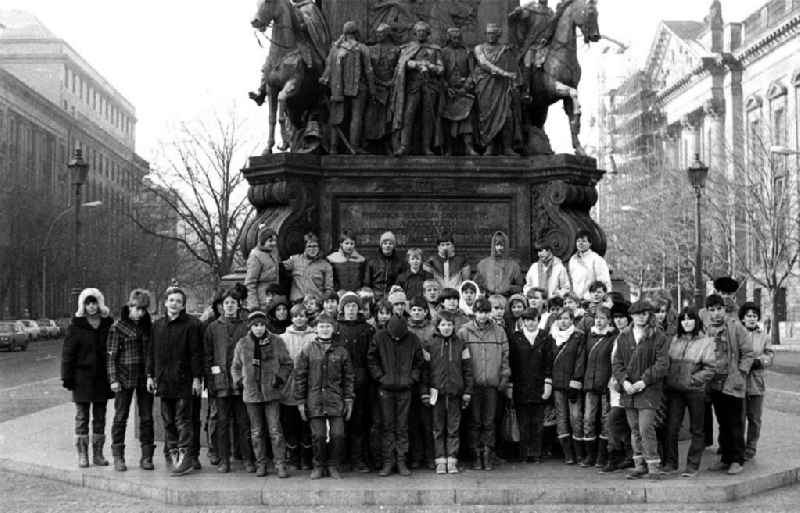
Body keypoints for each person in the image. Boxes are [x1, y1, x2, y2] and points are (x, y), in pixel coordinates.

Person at [147, 287, 203, 477]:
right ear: (165, 302)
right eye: (171, 300)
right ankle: (173, 453)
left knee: (183, 419)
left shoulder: (191, 325)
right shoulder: (158, 325)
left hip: (183, 380)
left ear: (183, 305)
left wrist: (197, 378)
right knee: (168, 420)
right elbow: (151, 352)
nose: (175, 304)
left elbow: (196, 353)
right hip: (163, 381)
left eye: (178, 301)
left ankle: (186, 455)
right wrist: (150, 375)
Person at [231, 311, 293, 478]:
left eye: (262, 325)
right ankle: (261, 463)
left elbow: (287, 363)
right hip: (251, 393)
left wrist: (279, 378)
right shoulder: (242, 344)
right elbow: (236, 366)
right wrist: (239, 381)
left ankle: (280, 463)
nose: (259, 329)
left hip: (271, 392)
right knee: (256, 431)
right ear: (250, 327)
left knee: (275, 430)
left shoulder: (276, 342)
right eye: (255, 325)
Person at [612, 300, 669, 480]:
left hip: (648, 390)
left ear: (649, 315)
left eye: (644, 314)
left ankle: (653, 466)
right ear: (632, 316)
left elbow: (662, 364)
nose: (641, 317)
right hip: (629, 390)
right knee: (634, 428)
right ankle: (639, 465)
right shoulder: (623, 337)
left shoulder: (658, 336)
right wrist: (624, 381)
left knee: (646, 428)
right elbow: (617, 362)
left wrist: (644, 381)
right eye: (637, 314)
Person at [294, 313, 355, 479]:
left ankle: (333, 465)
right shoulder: (308, 350)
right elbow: (300, 376)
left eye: (328, 326)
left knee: (338, 434)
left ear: (333, 329)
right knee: (318, 436)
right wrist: (300, 401)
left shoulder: (342, 351)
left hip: (335, 400)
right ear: (316, 329)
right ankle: (319, 465)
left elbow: (348, 378)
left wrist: (349, 399)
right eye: (321, 326)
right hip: (315, 400)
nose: (325, 329)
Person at [61, 288, 114, 468]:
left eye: (94, 303)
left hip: (102, 378)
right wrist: (66, 377)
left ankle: (98, 455)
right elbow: (68, 353)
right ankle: (82, 455)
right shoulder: (76, 325)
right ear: (83, 305)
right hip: (81, 379)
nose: (91, 307)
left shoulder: (108, 324)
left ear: (100, 303)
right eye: (88, 303)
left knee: (100, 417)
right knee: (82, 417)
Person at [368, 314, 425, 476]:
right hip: (385, 389)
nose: (396, 338)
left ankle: (401, 460)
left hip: (405, 389)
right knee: (387, 426)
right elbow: (372, 359)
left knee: (402, 427)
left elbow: (419, 363)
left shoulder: (413, 339)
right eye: (394, 336)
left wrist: (411, 379)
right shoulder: (379, 337)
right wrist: (380, 377)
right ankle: (388, 461)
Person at [204, 289, 254, 473]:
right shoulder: (213, 327)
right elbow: (209, 356)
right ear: (221, 306)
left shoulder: (246, 326)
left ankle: (247, 459)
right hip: (221, 384)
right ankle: (224, 459)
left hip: (242, 384)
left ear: (239, 305)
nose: (230, 306)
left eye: (233, 302)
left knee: (243, 423)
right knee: (222, 423)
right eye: (227, 303)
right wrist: (213, 380)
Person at [458, 298, 511, 471]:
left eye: (486, 312)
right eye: (479, 311)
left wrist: (504, 377)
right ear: (474, 312)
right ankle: (476, 454)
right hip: (473, 385)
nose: (483, 315)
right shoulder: (464, 332)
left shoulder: (499, 331)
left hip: (492, 385)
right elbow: (460, 360)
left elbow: (505, 356)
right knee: (474, 421)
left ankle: (487, 454)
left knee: (489, 421)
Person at [704, 294, 754, 475]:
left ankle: (737, 459)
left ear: (724, 309)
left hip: (732, 382)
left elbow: (749, 353)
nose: (716, 313)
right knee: (722, 422)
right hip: (714, 383)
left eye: (719, 309)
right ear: (708, 312)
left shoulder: (736, 327)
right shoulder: (707, 329)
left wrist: (740, 372)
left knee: (734, 423)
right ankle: (725, 457)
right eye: (712, 310)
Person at [663, 308, 715, 477]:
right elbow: (667, 363)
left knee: (697, 429)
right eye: (683, 319)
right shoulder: (674, 340)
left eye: (690, 319)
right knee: (671, 427)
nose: (686, 322)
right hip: (675, 391)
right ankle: (670, 463)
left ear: (696, 321)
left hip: (695, 391)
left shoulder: (705, 341)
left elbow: (710, 368)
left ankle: (692, 466)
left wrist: (691, 380)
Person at [107, 289, 154, 472]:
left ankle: (147, 455)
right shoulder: (117, 327)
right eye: (136, 308)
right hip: (124, 378)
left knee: (147, 417)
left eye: (143, 309)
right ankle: (118, 455)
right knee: (120, 417)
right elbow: (111, 356)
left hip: (144, 377)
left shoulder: (148, 326)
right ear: (129, 306)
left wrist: (152, 375)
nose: (139, 313)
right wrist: (113, 379)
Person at [427, 311, 474, 474]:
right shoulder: (430, 344)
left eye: (449, 324)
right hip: (436, 393)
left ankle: (452, 460)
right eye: (443, 324)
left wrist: (467, 390)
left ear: (454, 326)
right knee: (438, 428)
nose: (446, 328)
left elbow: (467, 369)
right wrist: (424, 391)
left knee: (453, 428)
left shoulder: (461, 344)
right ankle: (440, 460)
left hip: (455, 393)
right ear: (437, 326)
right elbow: (425, 370)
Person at [391, 21, 444, 156]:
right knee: (408, 115)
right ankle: (404, 146)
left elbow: (441, 69)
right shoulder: (407, 48)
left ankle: (427, 147)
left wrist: (431, 67)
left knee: (428, 117)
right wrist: (414, 64)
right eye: (418, 31)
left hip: (430, 87)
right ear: (415, 33)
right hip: (413, 87)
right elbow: (401, 64)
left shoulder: (435, 50)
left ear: (428, 33)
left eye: (424, 31)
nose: (421, 33)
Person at [321, 21, 375, 153]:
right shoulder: (362, 48)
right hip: (358, 88)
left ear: (344, 33)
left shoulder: (335, 49)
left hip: (337, 89)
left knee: (336, 116)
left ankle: (333, 148)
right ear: (356, 33)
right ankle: (354, 146)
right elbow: (368, 70)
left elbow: (328, 69)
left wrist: (324, 82)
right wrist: (373, 89)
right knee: (356, 117)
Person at [337, 293, 375, 473]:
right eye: (347, 306)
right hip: (339, 382)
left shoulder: (367, 329)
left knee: (360, 421)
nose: (351, 310)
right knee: (341, 421)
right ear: (342, 309)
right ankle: (342, 458)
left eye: (354, 306)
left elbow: (371, 357)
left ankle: (358, 458)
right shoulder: (336, 328)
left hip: (361, 382)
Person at [508, 307, 553, 463]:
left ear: (538, 320)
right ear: (523, 321)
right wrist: (510, 385)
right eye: (527, 320)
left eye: (533, 320)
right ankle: (524, 453)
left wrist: (548, 382)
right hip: (521, 385)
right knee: (523, 422)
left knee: (537, 422)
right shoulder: (516, 337)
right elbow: (511, 362)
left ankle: (536, 452)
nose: (530, 323)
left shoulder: (545, 337)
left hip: (539, 385)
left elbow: (549, 361)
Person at [473, 23, 520, 156]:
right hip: (485, 86)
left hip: (502, 88)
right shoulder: (479, 49)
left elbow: (513, 69)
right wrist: (503, 73)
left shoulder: (505, 50)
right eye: (489, 33)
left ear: (498, 35)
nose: (491, 36)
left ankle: (507, 147)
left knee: (507, 116)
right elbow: (483, 63)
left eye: (493, 33)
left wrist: (514, 83)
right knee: (486, 116)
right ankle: (489, 146)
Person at [580, 306, 617, 468]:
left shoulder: (613, 336)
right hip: (590, 383)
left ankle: (602, 456)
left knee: (605, 420)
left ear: (609, 320)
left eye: (602, 318)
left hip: (605, 384)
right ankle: (590, 455)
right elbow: (583, 357)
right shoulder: (590, 335)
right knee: (588, 419)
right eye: (597, 318)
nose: (599, 321)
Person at [280, 304, 316, 470]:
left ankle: (306, 457)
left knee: (306, 423)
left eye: (302, 315)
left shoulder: (314, 336)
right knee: (290, 423)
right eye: (296, 316)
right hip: (289, 385)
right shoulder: (284, 338)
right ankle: (293, 456)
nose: (299, 318)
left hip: (309, 384)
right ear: (291, 318)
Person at [549, 307, 586, 465]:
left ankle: (579, 452)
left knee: (576, 418)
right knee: (561, 418)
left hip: (572, 384)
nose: (564, 321)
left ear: (572, 320)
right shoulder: (552, 337)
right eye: (561, 318)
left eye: (567, 318)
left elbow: (580, 360)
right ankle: (568, 454)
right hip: (557, 383)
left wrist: (575, 381)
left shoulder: (578, 336)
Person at [601, 301, 634, 473]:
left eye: (622, 317)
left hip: (626, 386)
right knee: (618, 422)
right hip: (614, 388)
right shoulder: (616, 337)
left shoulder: (631, 336)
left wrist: (622, 380)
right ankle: (623, 456)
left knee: (615, 421)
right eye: (616, 317)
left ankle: (618, 456)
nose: (619, 320)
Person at [739, 302, 773, 461]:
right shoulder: (738, 334)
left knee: (754, 418)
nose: (752, 319)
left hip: (756, 383)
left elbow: (770, 355)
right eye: (748, 316)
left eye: (754, 316)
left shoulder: (764, 336)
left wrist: (760, 361)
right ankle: (735, 447)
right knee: (738, 418)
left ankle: (751, 447)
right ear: (743, 318)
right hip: (739, 382)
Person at [407, 296, 436, 470]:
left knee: (428, 422)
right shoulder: (405, 328)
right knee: (413, 421)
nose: (416, 312)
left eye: (420, 309)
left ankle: (430, 456)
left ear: (426, 312)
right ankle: (416, 456)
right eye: (414, 309)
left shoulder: (432, 329)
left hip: (429, 377)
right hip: (411, 378)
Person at [441, 27, 479, 156]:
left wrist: (466, 87)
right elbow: (440, 73)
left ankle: (468, 147)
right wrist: (446, 87)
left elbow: (473, 72)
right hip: (449, 91)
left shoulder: (467, 52)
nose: (456, 40)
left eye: (458, 38)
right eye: (453, 38)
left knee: (466, 119)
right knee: (447, 120)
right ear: (449, 39)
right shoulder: (443, 52)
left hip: (464, 91)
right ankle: (448, 148)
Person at [365, 23, 400, 154]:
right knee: (371, 115)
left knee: (389, 117)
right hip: (375, 87)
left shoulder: (396, 50)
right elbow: (368, 69)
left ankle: (388, 143)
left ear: (387, 34)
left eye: (381, 33)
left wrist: (392, 81)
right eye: (377, 33)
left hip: (391, 87)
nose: (378, 35)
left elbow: (398, 68)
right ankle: (370, 143)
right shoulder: (370, 49)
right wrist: (377, 82)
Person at [283, 233, 334, 303]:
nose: (312, 249)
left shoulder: (325, 265)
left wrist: (322, 301)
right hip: (298, 302)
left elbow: (329, 289)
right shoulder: (294, 260)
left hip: (316, 302)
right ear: (304, 247)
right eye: (309, 246)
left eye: (315, 246)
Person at [476, 231, 524, 297]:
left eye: (501, 245)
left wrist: (508, 287)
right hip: (487, 300)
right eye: (496, 245)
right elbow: (476, 285)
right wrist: (486, 286)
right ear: (493, 246)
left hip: (506, 299)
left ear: (506, 246)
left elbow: (520, 287)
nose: (499, 248)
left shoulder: (514, 266)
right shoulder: (482, 264)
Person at [568, 230, 612, 300]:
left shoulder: (596, 259)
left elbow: (604, 283)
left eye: (584, 241)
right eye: (578, 241)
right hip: (577, 302)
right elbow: (571, 282)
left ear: (590, 243)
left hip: (592, 301)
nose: (580, 243)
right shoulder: (572, 260)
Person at [245, 227, 281, 312]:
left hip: (274, 299)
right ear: (262, 241)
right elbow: (250, 283)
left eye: (275, 240)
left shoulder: (273, 251)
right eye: (270, 241)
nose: (274, 243)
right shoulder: (255, 256)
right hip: (262, 302)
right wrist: (254, 306)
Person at [365, 231, 406, 301]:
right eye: (385, 243)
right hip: (375, 296)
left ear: (393, 246)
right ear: (381, 245)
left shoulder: (399, 263)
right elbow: (367, 282)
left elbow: (401, 282)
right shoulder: (372, 261)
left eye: (390, 243)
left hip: (392, 296)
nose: (388, 245)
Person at [326, 230, 367, 294]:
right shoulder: (332, 259)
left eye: (352, 243)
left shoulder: (361, 260)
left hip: (357, 293)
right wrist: (337, 290)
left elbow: (363, 278)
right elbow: (331, 278)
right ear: (341, 244)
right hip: (339, 293)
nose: (349, 246)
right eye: (346, 243)